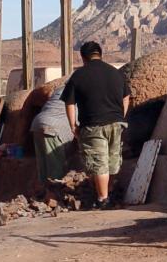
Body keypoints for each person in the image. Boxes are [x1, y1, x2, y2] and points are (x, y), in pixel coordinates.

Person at [61, 42, 129, 209]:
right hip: (116, 122)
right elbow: (126, 97)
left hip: (93, 125)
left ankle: (103, 199)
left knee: (99, 163)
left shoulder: (79, 75)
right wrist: (121, 116)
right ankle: (109, 193)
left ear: (83, 57)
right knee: (112, 160)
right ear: (100, 54)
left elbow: (69, 103)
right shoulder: (116, 73)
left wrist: (72, 125)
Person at [31, 85, 73, 184]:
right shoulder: (79, 92)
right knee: (55, 167)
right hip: (53, 127)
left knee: (43, 165)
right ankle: (53, 194)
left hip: (38, 124)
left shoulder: (60, 90)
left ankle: (43, 191)